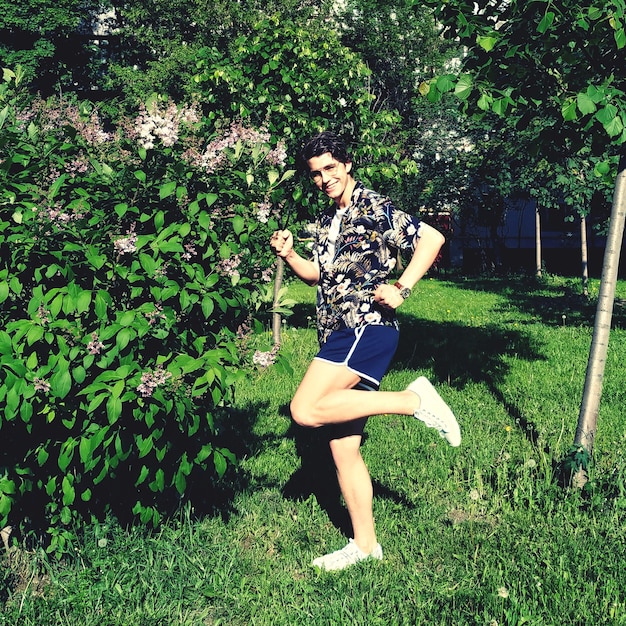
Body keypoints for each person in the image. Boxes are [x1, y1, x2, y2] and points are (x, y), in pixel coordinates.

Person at [270, 131, 460, 572]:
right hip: (337, 331)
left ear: (347, 164)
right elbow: (319, 276)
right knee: (343, 446)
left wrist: (402, 287)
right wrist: (291, 255)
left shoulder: (373, 205)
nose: (323, 179)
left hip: (364, 327)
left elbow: (431, 238)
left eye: (330, 168)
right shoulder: (326, 219)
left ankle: (413, 401)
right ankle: (365, 544)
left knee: (303, 409)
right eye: (316, 173)